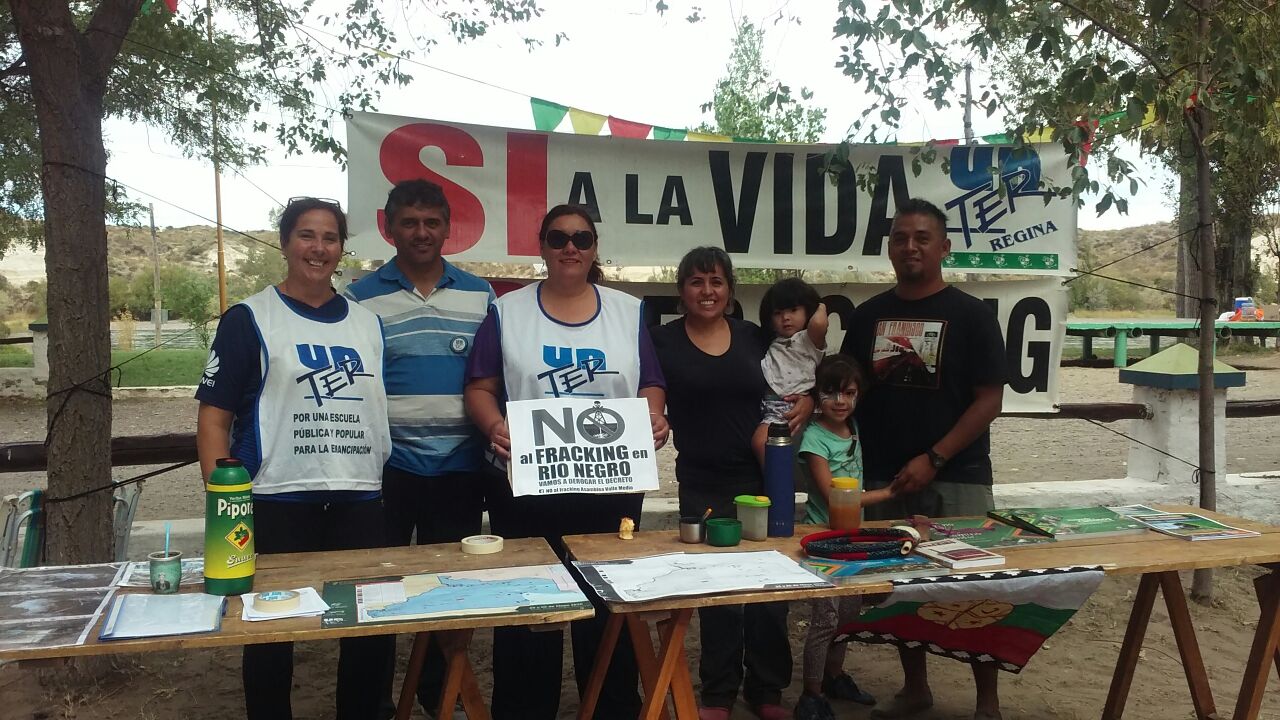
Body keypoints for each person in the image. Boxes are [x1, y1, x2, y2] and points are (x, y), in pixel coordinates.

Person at [463, 204, 669, 720]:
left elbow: (650, 383)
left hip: (611, 488)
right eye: (558, 238)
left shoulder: (628, 310)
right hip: (528, 490)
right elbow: (480, 387)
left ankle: (612, 708)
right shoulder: (507, 312)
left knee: (609, 610)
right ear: (542, 247)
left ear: (595, 247)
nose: (570, 247)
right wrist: (493, 425)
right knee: (532, 609)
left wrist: (655, 418)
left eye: (581, 238)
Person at [195, 196, 393, 720]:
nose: (318, 248)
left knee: (368, 629)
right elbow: (213, 421)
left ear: (341, 249)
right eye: (307, 235)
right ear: (285, 243)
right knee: (268, 631)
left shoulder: (368, 324)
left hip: (359, 498)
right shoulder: (248, 319)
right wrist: (225, 508)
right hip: (277, 496)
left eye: (330, 238)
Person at [838, 197, 1008, 720]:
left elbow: (990, 399)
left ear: (944, 247)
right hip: (885, 479)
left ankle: (988, 702)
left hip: (958, 476)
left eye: (921, 238)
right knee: (901, 589)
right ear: (889, 247)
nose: (909, 247)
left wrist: (935, 456)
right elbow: (847, 389)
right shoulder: (868, 317)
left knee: (973, 588)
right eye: (899, 238)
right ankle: (916, 688)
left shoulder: (974, 316)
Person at [344, 179, 495, 715]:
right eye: (410, 222)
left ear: (448, 229)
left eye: (432, 222)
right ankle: (367, 704)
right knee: (374, 589)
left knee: (442, 592)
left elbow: (494, 376)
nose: (422, 232)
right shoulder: (359, 298)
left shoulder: (481, 295)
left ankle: (437, 695)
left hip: (459, 468)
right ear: (389, 228)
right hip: (387, 468)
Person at [650, 247, 811, 720]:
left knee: (770, 588)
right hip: (701, 480)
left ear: (730, 290)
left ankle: (767, 690)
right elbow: (649, 395)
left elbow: (797, 374)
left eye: (716, 281)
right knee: (716, 589)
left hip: (762, 475)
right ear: (681, 290)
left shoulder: (754, 338)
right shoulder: (661, 342)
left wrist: (810, 398)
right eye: (697, 281)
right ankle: (718, 692)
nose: (707, 291)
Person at [794, 354, 893, 720]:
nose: (840, 401)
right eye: (831, 392)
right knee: (825, 618)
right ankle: (811, 694)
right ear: (817, 394)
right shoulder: (814, 437)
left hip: (852, 537)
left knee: (849, 614)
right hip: (823, 539)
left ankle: (835, 677)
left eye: (849, 393)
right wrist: (888, 494)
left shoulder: (852, 428)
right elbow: (832, 493)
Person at [751, 278, 828, 465]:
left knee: (762, 442)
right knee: (760, 443)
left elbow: (818, 323)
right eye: (778, 313)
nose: (785, 318)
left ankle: (780, 486)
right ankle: (776, 487)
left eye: (793, 310)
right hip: (771, 409)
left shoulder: (808, 340)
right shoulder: (771, 342)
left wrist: (820, 306)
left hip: (797, 406)